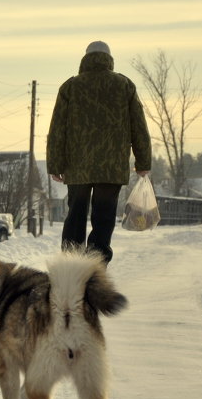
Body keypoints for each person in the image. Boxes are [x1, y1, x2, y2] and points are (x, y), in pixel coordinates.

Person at [47, 40, 152, 263]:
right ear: (109, 59)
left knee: (75, 215)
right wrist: (143, 162)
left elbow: (57, 129)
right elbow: (139, 127)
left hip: (77, 168)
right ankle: (96, 266)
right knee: (103, 218)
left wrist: (55, 164)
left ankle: (70, 265)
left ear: (85, 58)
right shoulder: (124, 85)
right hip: (111, 169)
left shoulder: (70, 87)